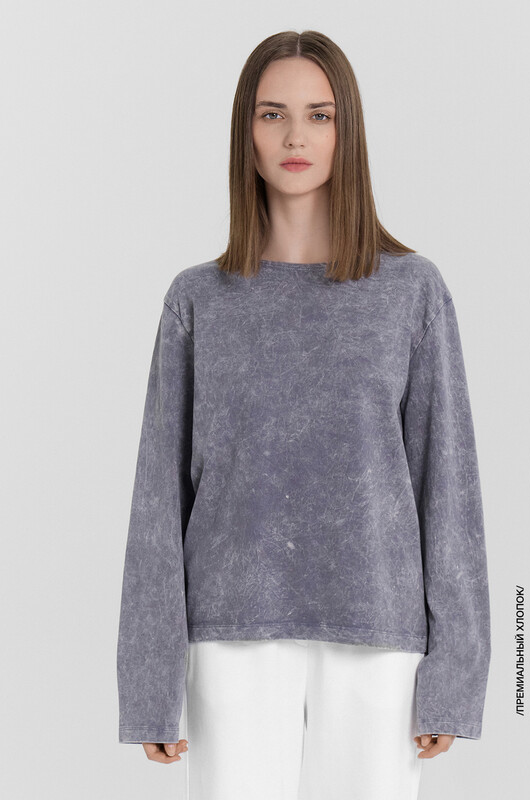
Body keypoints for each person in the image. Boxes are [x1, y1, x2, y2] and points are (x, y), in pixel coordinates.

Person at [117, 29, 492, 799]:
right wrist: (149, 679)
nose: (296, 137)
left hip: (379, 636)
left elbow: (449, 488)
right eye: (273, 114)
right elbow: (157, 502)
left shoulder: (411, 292)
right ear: (245, 132)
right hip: (231, 636)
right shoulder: (197, 301)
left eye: (320, 115)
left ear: (347, 131)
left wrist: (456, 673)